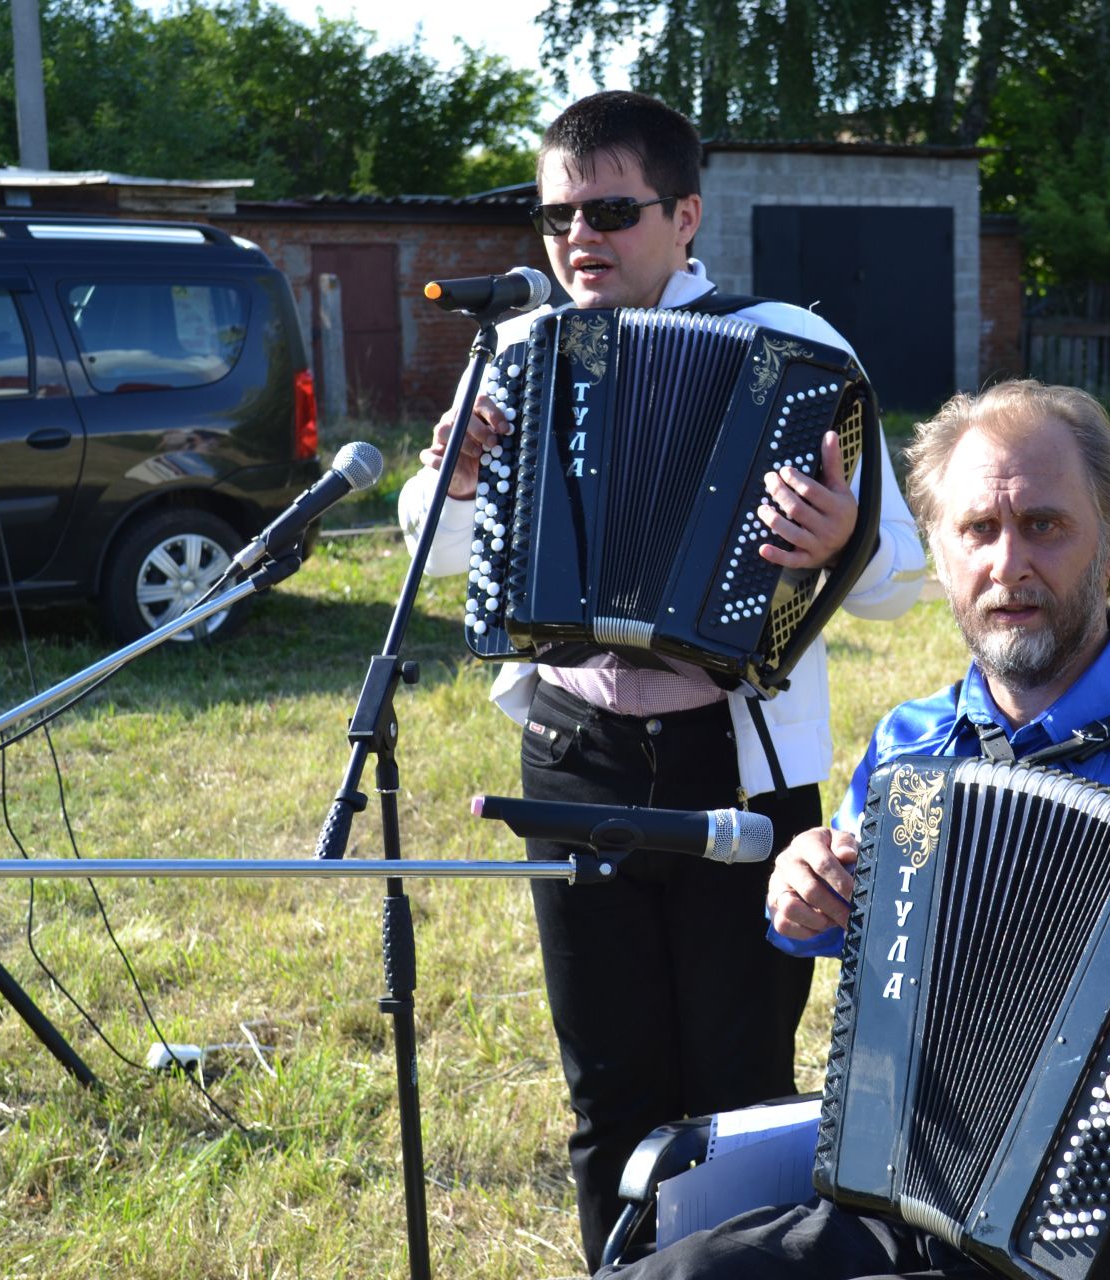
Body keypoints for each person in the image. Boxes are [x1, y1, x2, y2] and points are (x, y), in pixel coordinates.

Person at [601, 380, 1110, 1280]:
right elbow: (866, 930)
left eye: (1046, 526)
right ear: (941, 558)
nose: (1009, 563)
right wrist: (804, 893)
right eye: (978, 531)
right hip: (903, 1205)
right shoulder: (911, 748)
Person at [397, 90, 924, 1270]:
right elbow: (428, 546)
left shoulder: (791, 345)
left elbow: (901, 575)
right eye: (555, 216)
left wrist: (846, 533)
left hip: (737, 764)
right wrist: (458, 476)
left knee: (737, 1083)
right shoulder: (522, 351)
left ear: (686, 216)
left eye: (610, 211)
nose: (578, 237)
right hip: (571, 752)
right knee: (607, 1083)